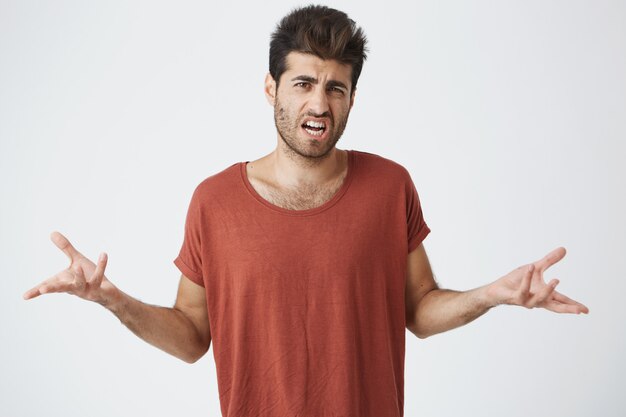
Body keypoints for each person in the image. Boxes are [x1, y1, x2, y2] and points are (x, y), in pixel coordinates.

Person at [23, 4, 589, 417]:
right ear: (271, 89)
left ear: (351, 97)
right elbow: (194, 337)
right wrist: (109, 298)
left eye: (336, 88)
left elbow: (418, 309)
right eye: (304, 83)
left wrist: (495, 293)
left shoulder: (391, 187)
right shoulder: (213, 202)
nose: (319, 103)